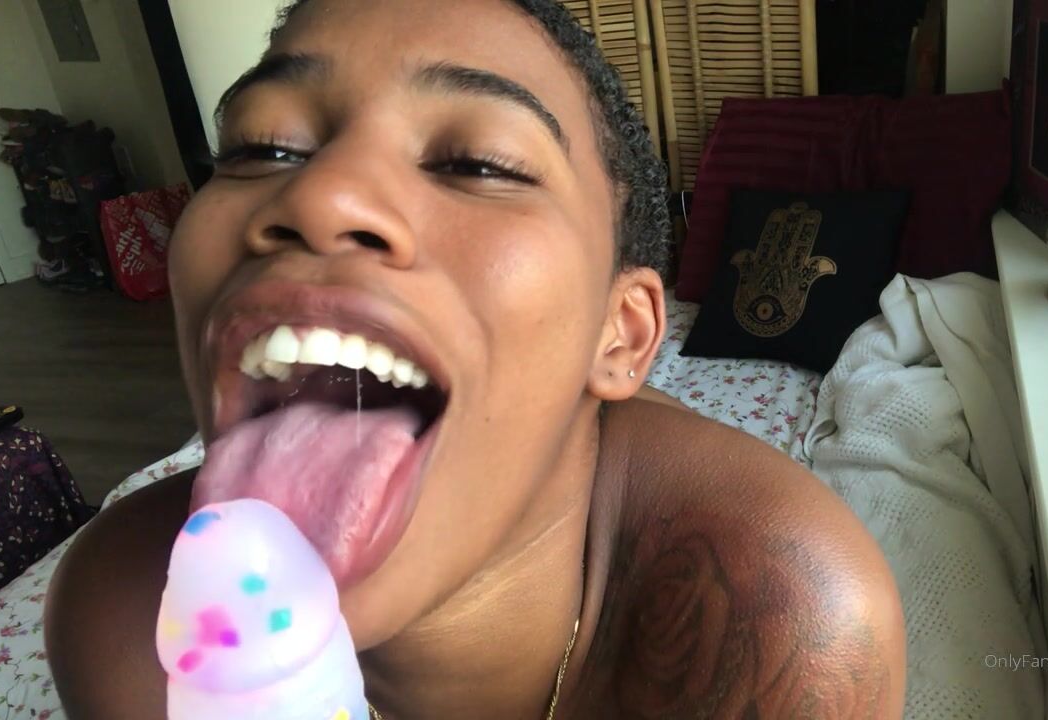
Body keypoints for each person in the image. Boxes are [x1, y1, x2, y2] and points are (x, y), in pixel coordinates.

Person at [45, 0, 905, 716]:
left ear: (621, 333)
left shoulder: (780, 629)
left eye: (477, 162)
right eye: (262, 147)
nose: (319, 194)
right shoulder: (125, 623)